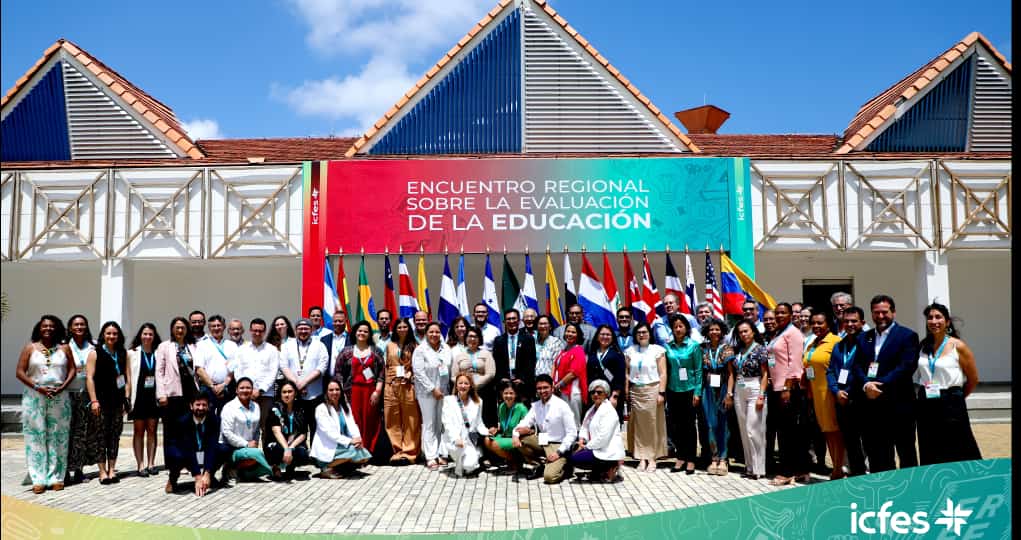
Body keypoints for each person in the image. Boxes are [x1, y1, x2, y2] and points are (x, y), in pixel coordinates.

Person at [853, 295, 919, 472]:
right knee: (878, 452)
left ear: (894, 312)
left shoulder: (908, 336)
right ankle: (884, 490)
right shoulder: (863, 338)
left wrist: (878, 384)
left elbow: (906, 367)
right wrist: (867, 385)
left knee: (906, 451)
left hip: (900, 405)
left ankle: (911, 489)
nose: (881, 316)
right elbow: (857, 366)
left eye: (885, 312)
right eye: (876, 313)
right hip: (873, 406)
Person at [913, 303, 981, 465]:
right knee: (929, 446)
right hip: (926, 402)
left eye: (938, 317)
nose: (934, 321)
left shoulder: (958, 346)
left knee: (958, 445)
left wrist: (957, 396)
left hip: (950, 402)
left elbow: (973, 379)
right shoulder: (923, 346)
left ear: (947, 322)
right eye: (930, 318)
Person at [16, 315, 75, 493]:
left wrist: (63, 387)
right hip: (35, 396)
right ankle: (38, 478)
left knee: (59, 437)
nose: (48, 329)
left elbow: (72, 369)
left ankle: (56, 477)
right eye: (44, 326)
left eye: (51, 326)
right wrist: (37, 387)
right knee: (36, 437)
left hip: (59, 396)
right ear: (39, 328)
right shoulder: (30, 348)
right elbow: (19, 371)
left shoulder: (64, 348)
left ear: (57, 328)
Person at [766, 302, 809, 486]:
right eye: (777, 313)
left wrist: (787, 387)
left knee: (788, 434)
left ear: (791, 314)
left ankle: (787, 472)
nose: (779, 315)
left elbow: (795, 363)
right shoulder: (778, 333)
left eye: (783, 312)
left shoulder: (793, 333)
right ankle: (800, 470)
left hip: (788, 389)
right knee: (787, 431)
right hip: (776, 387)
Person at [513, 375, 578, 484]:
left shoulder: (562, 406)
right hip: (543, 441)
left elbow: (572, 433)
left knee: (549, 477)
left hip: (559, 445)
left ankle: (566, 466)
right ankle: (541, 465)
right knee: (522, 439)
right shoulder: (536, 406)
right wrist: (515, 435)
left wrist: (559, 452)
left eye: (545, 387)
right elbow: (523, 424)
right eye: (539, 388)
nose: (542, 391)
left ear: (552, 388)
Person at [86, 321, 129, 484]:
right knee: (100, 437)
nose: (112, 336)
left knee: (114, 437)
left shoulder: (122, 353)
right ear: (103, 335)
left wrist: (126, 398)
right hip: (101, 402)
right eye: (109, 333)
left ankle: (112, 469)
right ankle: (102, 471)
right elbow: (89, 378)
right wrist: (94, 400)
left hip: (117, 402)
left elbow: (127, 378)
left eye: (115, 334)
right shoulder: (95, 353)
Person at [826, 306, 867, 477]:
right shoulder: (839, 345)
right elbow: (830, 371)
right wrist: (836, 391)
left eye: (854, 321)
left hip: (861, 400)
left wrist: (848, 391)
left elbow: (866, 372)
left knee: (868, 443)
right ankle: (856, 475)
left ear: (862, 323)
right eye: (846, 321)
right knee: (850, 442)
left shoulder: (868, 343)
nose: (849, 324)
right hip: (841, 400)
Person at [802, 312, 844, 480]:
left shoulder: (835, 342)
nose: (816, 326)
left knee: (835, 432)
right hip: (816, 395)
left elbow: (840, 368)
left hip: (829, 393)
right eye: (814, 323)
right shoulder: (812, 343)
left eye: (820, 323)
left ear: (828, 324)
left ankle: (838, 469)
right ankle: (836, 468)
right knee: (827, 432)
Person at [157, 316, 201, 472]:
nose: (180, 330)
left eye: (183, 327)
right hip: (172, 394)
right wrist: (161, 393)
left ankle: (188, 462)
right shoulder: (164, 346)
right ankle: (172, 463)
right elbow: (159, 372)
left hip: (191, 393)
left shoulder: (193, 346)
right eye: (177, 327)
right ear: (172, 329)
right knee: (171, 431)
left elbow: (198, 368)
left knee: (188, 429)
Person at [334, 321, 385, 455]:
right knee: (354, 421)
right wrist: (341, 391)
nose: (362, 333)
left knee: (370, 420)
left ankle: (369, 450)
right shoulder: (346, 351)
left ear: (369, 334)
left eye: (365, 331)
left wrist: (378, 391)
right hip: (352, 391)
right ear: (355, 333)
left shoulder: (376, 351)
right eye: (359, 331)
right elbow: (338, 371)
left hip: (371, 391)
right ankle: (357, 451)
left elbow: (381, 373)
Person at [625, 322, 667, 473]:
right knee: (638, 426)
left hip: (653, 389)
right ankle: (641, 457)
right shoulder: (630, 351)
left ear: (650, 334)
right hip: (636, 390)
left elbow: (663, 373)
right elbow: (627, 373)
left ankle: (652, 458)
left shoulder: (657, 350)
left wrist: (661, 392)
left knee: (652, 424)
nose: (642, 334)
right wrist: (626, 391)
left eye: (644, 332)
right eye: (639, 332)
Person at [164, 391, 225, 496]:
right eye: (198, 404)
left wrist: (207, 473)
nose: (201, 408)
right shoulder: (182, 422)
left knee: (223, 449)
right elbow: (188, 449)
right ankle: (173, 479)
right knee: (175, 455)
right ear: (191, 406)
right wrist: (197, 476)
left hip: (203, 450)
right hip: (184, 453)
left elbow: (212, 446)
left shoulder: (215, 420)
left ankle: (209, 477)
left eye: (204, 405)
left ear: (208, 407)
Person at [730, 320, 770, 479]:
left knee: (753, 429)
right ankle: (749, 466)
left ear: (753, 331)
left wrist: (761, 395)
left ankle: (759, 469)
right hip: (739, 388)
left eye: (746, 331)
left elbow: (766, 374)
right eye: (740, 332)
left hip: (755, 387)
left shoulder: (761, 349)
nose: (743, 334)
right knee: (743, 430)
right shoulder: (738, 349)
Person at [663, 314, 701, 474]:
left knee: (689, 426)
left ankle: (691, 458)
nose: (678, 329)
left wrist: (697, 392)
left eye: (681, 326)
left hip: (689, 390)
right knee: (676, 426)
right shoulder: (667, 347)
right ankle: (680, 457)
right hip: (673, 390)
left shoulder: (694, 346)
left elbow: (698, 370)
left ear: (686, 328)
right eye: (675, 327)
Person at [413, 322, 453, 470]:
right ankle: (430, 456)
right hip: (426, 393)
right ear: (427, 333)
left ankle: (442, 453)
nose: (434, 335)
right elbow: (419, 373)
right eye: (431, 332)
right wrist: (432, 389)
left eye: (437, 332)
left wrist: (443, 390)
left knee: (442, 423)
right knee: (429, 423)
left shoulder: (446, 349)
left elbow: (449, 369)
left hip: (444, 392)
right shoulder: (420, 350)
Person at [64, 314, 99, 485]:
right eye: (76, 324)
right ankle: (63, 471)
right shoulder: (63, 347)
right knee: (67, 432)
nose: (79, 327)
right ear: (70, 327)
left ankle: (79, 469)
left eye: (82, 324)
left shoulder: (93, 346)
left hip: (86, 394)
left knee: (83, 433)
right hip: (68, 394)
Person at [312, 380, 372, 477]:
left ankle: (339, 467)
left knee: (364, 456)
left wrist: (357, 439)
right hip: (328, 446)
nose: (334, 392)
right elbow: (330, 433)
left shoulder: (345, 406)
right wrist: (350, 441)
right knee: (354, 452)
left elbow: (353, 425)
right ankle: (325, 467)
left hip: (342, 445)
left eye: (337, 389)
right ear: (326, 392)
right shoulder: (321, 409)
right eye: (331, 390)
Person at [568, 379, 625, 482]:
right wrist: (582, 439)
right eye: (592, 392)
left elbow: (602, 438)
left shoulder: (608, 411)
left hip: (607, 450)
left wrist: (585, 447)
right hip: (596, 447)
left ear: (606, 394)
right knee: (572, 452)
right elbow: (584, 427)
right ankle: (600, 471)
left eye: (599, 392)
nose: (595, 394)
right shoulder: (592, 409)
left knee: (575, 458)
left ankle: (611, 465)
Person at [232, 318, 280, 436]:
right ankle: (248, 454)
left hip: (265, 395)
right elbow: (237, 371)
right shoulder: (242, 349)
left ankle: (266, 453)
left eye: (260, 331)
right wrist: (246, 389)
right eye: (255, 330)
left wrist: (260, 390)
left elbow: (273, 372)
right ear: (250, 330)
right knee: (246, 427)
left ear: (264, 331)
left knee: (266, 427)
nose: (257, 333)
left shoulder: (272, 350)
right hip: (245, 395)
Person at [280, 318, 328, 433]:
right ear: (296, 330)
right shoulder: (287, 346)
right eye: (300, 328)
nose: (303, 331)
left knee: (315, 427)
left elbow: (322, 367)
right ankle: (298, 450)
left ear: (311, 330)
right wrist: (297, 385)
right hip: (293, 395)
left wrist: (304, 383)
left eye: (306, 328)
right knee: (296, 427)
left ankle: (314, 451)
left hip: (315, 395)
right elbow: (284, 366)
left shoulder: (320, 345)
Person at [219, 378, 272, 482]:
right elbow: (227, 433)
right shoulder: (229, 407)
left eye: (248, 388)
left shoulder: (256, 406)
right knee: (258, 455)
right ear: (236, 390)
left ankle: (239, 472)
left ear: (252, 390)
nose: (245, 390)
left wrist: (255, 442)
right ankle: (229, 467)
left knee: (256, 457)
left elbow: (256, 429)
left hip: (249, 447)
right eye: (242, 388)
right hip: (231, 447)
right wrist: (246, 444)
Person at [383, 318, 420, 464]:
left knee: (411, 419)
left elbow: (417, 366)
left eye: (405, 327)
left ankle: (410, 452)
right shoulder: (390, 345)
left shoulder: (414, 345)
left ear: (409, 329)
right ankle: (397, 451)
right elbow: (387, 366)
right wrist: (387, 383)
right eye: (399, 327)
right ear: (395, 329)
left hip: (408, 385)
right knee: (392, 419)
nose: (402, 329)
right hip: (391, 384)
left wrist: (410, 375)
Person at [127, 323, 162, 477]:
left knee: (153, 431)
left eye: (150, 334)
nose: (147, 337)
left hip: (153, 397)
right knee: (139, 431)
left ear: (154, 337)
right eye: (145, 334)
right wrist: (127, 397)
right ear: (140, 335)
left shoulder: (159, 353)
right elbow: (128, 377)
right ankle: (140, 465)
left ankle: (151, 463)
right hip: (139, 397)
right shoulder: (132, 353)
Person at [700, 317, 734, 476]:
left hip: (723, 388)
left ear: (722, 331)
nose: (714, 332)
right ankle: (714, 458)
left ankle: (724, 459)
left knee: (724, 424)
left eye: (717, 329)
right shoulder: (703, 349)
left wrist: (729, 394)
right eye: (711, 329)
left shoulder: (727, 348)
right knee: (710, 424)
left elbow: (731, 373)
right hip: (708, 390)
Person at [441, 372, 491, 476]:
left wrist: (487, 431)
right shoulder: (448, 401)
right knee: (461, 454)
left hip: (469, 441)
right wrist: (455, 438)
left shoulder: (478, 402)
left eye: (466, 383)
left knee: (469, 466)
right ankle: (465, 461)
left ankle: (475, 457)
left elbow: (479, 423)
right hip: (454, 441)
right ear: (456, 385)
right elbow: (447, 423)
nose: (463, 386)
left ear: (470, 386)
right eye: (460, 383)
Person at [493, 309, 537, 419]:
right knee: (506, 416)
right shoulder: (499, 340)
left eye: (514, 319)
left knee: (523, 415)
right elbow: (496, 363)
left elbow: (531, 362)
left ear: (519, 321)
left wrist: (522, 379)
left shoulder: (528, 339)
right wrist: (501, 378)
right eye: (508, 319)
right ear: (504, 322)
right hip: (505, 385)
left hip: (523, 385)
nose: (511, 321)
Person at [264, 380, 310, 479]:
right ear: (280, 394)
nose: (287, 395)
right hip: (277, 443)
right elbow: (276, 432)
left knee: (302, 454)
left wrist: (291, 447)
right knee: (276, 450)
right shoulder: (275, 408)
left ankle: (290, 466)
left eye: (290, 391)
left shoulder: (301, 409)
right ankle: (275, 467)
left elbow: (303, 434)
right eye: (284, 392)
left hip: (292, 443)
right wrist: (286, 448)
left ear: (295, 393)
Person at [195, 314, 238, 415]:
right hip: (208, 388)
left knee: (226, 417)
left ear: (224, 327)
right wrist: (212, 386)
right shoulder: (202, 344)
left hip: (227, 388)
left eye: (219, 325)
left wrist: (224, 385)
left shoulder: (232, 345)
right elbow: (199, 369)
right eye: (213, 326)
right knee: (208, 418)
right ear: (209, 328)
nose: (216, 328)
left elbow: (234, 368)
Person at [482, 380, 528, 471]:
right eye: (505, 393)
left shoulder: (521, 408)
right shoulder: (502, 406)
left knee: (494, 444)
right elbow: (502, 425)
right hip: (505, 435)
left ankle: (515, 461)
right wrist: (495, 429)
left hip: (518, 439)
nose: (508, 396)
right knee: (487, 440)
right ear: (502, 394)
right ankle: (509, 460)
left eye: (511, 393)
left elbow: (527, 428)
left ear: (516, 394)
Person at [454, 326, 497, 424]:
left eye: (475, 336)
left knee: (484, 421)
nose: (472, 339)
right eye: (470, 336)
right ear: (465, 338)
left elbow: (491, 373)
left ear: (479, 339)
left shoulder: (486, 354)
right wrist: (463, 385)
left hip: (484, 392)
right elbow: (453, 376)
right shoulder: (459, 355)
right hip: (464, 392)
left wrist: (475, 385)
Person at [586, 325, 625, 421]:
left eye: (608, 335)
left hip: (610, 394)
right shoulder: (593, 353)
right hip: (594, 395)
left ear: (612, 337)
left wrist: (615, 396)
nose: (605, 337)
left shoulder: (617, 354)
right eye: (602, 334)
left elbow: (620, 377)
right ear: (597, 336)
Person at [553, 322, 588, 424]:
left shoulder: (578, 350)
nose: (570, 334)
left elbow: (574, 373)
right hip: (561, 390)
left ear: (578, 335)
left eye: (573, 332)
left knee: (573, 421)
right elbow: (555, 367)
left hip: (573, 392)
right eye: (568, 331)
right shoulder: (563, 351)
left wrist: (558, 385)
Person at [319, 309, 349, 396]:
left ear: (345, 322)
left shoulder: (352, 339)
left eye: (340, 321)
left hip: (346, 381)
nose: (337, 323)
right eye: (335, 321)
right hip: (328, 380)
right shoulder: (324, 339)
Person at [534, 315, 565, 379]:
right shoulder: (533, 341)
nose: (543, 326)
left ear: (550, 326)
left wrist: (552, 380)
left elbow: (557, 364)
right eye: (540, 324)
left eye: (545, 324)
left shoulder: (556, 342)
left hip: (548, 379)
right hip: (533, 379)